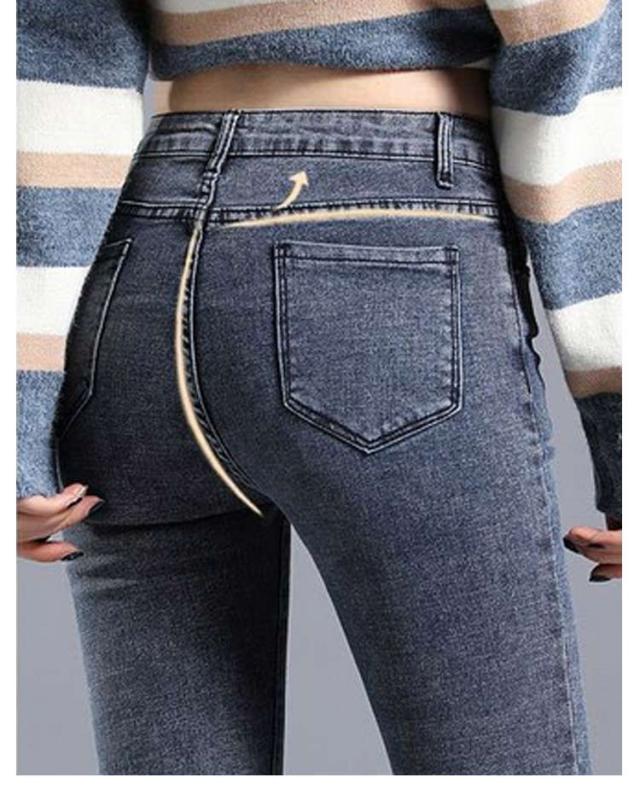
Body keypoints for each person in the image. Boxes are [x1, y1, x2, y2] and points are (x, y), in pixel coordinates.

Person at [16, 0, 621, 776]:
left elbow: (55, 51)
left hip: (142, 265)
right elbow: (567, 46)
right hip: (385, 231)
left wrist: (18, 416)